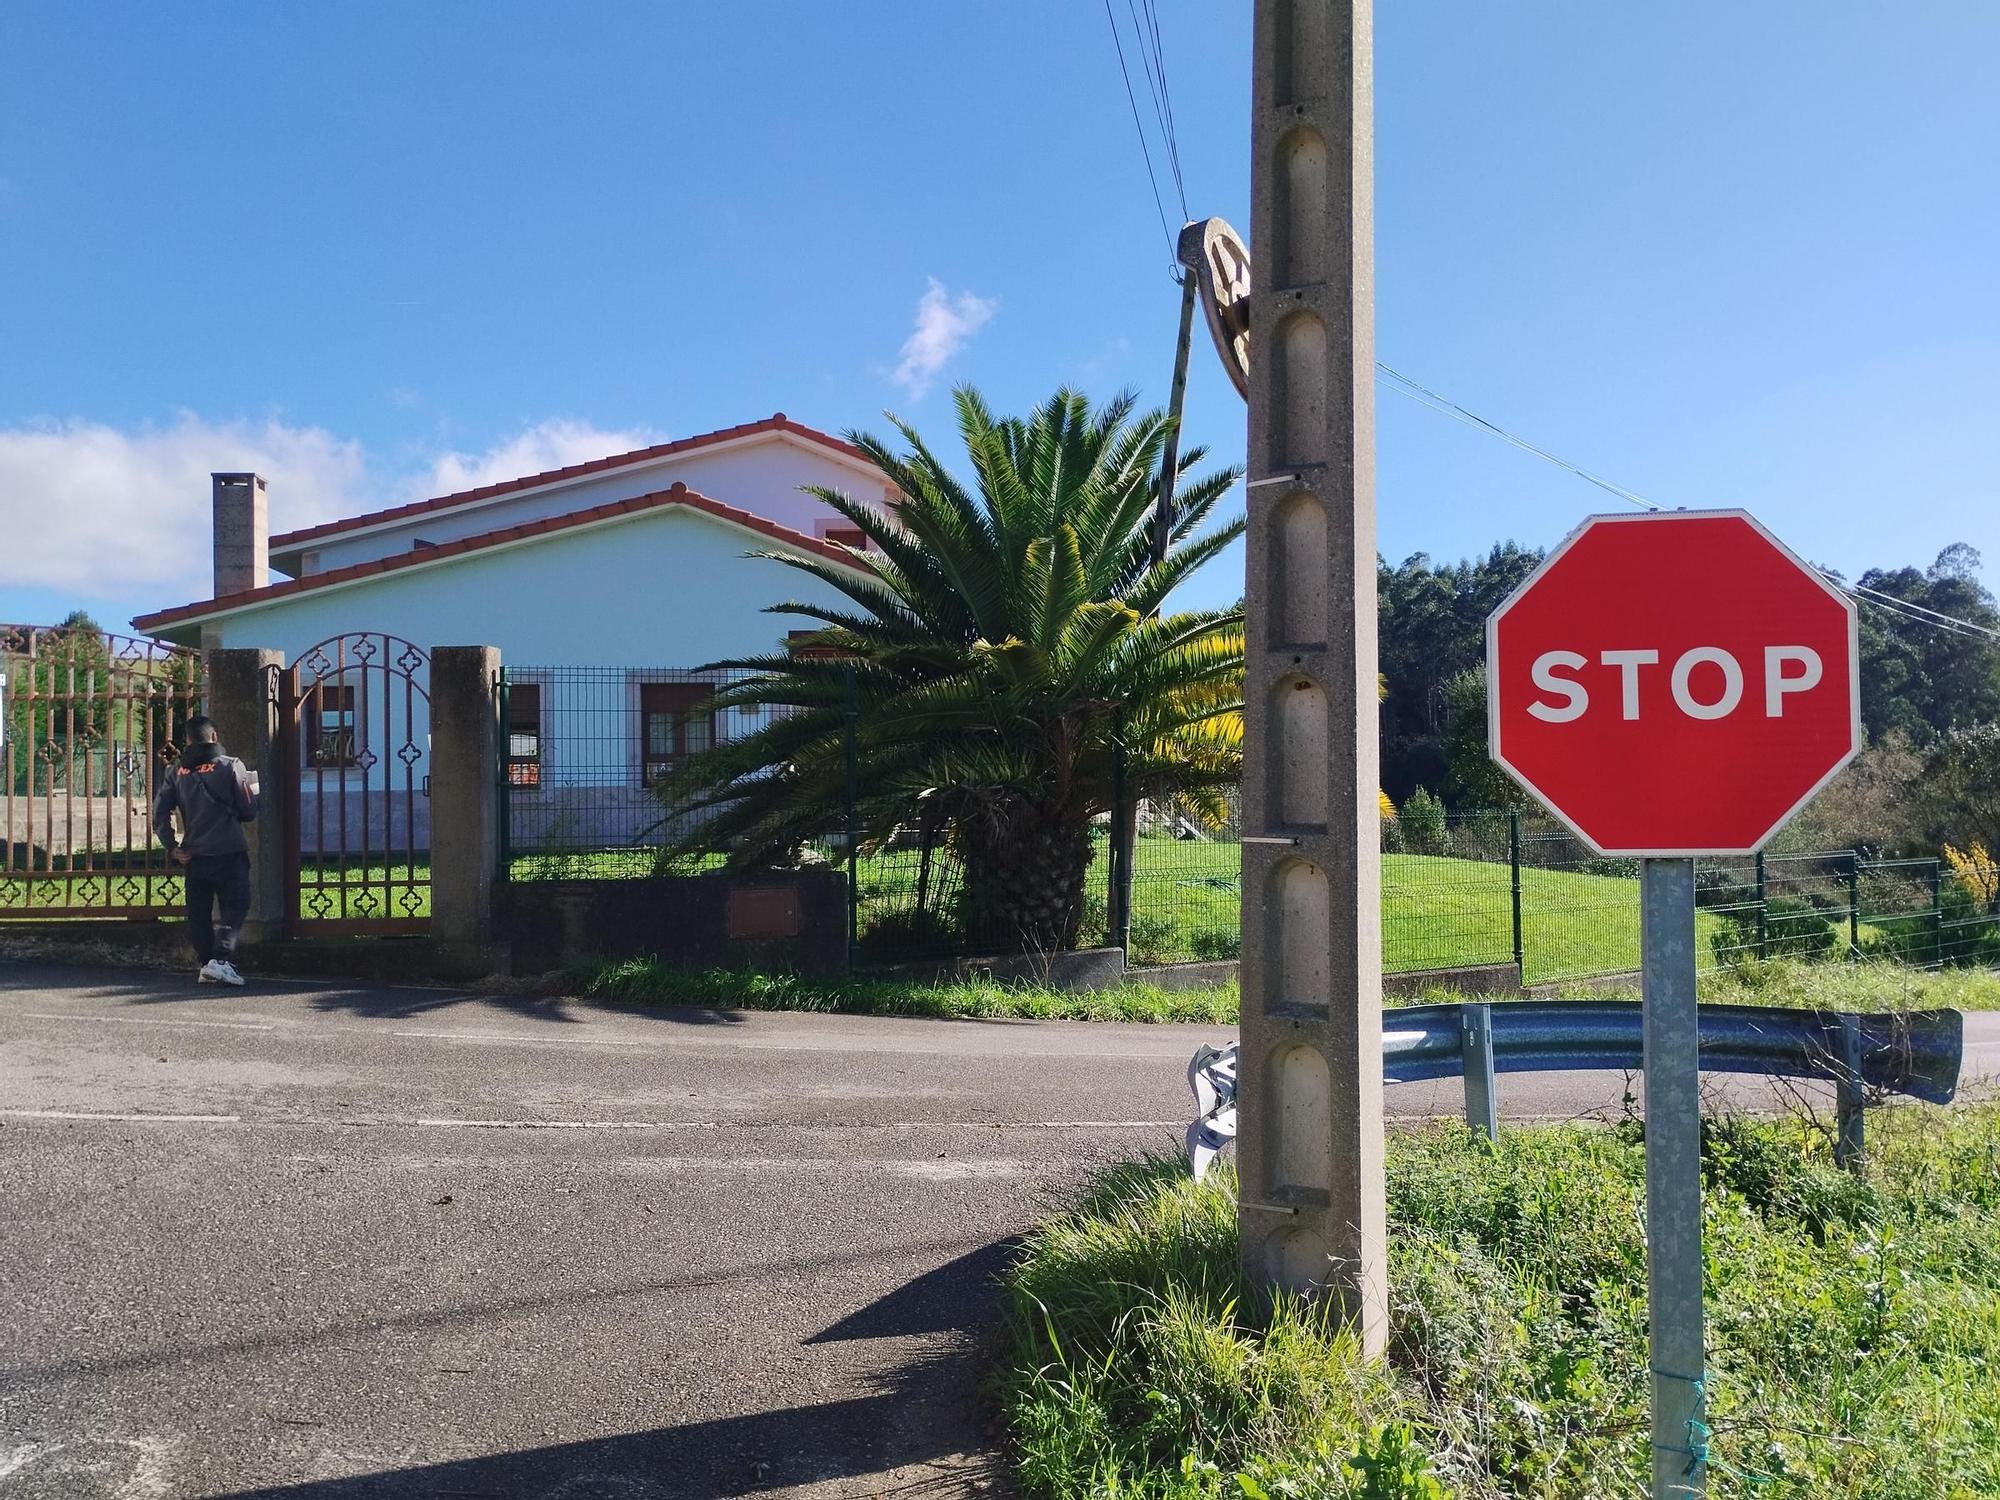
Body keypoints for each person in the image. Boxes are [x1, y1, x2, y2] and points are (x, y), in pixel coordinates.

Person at [152, 715, 260, 986]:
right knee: (235, 906)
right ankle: (220, 961)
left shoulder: (176, 771)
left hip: (194, 854)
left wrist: (172, 847)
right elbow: (248, 812)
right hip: (229, 851)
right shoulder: (231, 766)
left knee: (198, 913)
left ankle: (207, 964)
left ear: (187, 741)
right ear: (214, 737)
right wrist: (253, 791)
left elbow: (159, 813)